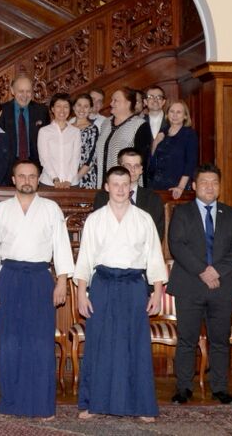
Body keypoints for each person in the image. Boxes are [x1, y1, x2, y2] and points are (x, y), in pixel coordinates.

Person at [0, 159, 74, 418]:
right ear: (14, 179)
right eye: (22, 176)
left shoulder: (50, 209)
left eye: (31, 176)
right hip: (9, 278)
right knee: (10, 342)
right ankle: (10, 403)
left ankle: (42, 405)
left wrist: (62, 282)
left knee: (41, 343)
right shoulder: (1, 210)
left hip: (40, 278)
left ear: (38, 179)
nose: (27, 180)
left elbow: (61, 247)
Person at [74, 165, 166, 421]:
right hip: (102, 285)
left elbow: (154, 258)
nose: (121, 189)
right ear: (107, 187)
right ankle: (92, 403)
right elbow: (85, 259)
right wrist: (81, 294)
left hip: (133, 286)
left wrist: (157, 292)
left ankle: (142, 406)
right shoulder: (95, 219)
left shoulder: (144, 219)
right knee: (98, 343)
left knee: (135, 344)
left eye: (125, 184)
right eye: (115, 184)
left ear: (131, 187)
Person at [167, 163, 232, 405]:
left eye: (214, 182)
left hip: (222, 286)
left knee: (220, 341)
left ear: (219, 186)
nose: (209, 187)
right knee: (187, 339)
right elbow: (177, 245)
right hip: (189, 285)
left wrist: (216, 271)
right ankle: (183, 388)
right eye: (204, 182)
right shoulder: (182, 212)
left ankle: (220, 388)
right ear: (194, 185)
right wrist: (203, 270)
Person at [92, 148, 165, 241]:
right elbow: (99, 231)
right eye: (128, 166)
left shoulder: (153, 199)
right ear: (119, 167)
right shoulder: (103, 197)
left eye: (136, 166)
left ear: (141, 170)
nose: (132, 170)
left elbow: (156, 235)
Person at [147, 100, 198, 199]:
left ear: (185, 116)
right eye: (172, 111)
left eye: (178, 112)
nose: (174, 115)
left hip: (176, 187)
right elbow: (152, 159)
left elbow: (191, 163)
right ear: (167, 114)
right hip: (156, 185)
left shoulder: (189, 134)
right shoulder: (163, 132)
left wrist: (181, 187)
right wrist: (155, 143)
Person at [0, 75, 49, 165]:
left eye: (28, 91)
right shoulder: (1, 111)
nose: (25, 95)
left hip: (35, 164)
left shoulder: (41, 111)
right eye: (21, 91)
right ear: (12, 91)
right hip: (9, 165)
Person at [96, 88, 144, 179]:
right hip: (103, 182)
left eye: (115, 100)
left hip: (124, 183)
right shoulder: (106, 122)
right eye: (112, 100)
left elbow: (142, 161)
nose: (111, 103)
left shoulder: (139, 125)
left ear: (128, 103)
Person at [37, 92, 81, 188]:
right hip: (48, 183)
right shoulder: (44, 131)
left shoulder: (75, 132)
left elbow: (76, 158)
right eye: (58, 106)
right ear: (52, 109)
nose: (62, 110)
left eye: (66, 107)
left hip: (71, 183)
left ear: (70, 109)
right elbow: (44, 159)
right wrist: (55, 179)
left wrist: (68, 180)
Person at [133, 85, 169, 169]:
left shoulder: (172, 122)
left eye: (159, 97)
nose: (155, 100)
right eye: (151, 97)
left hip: (168, 171)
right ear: (145, 101)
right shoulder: (138, 124)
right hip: (145, 171)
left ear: (163, 102)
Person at [72, 93, 100, 189]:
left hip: (85, 176)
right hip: (67, 176)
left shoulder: (92, 129)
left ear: (90, 109)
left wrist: (75, 179)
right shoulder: (67, 127)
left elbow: (91, 158)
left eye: (86, 106)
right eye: (79, 105)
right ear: (74, 107)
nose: (82, 109)